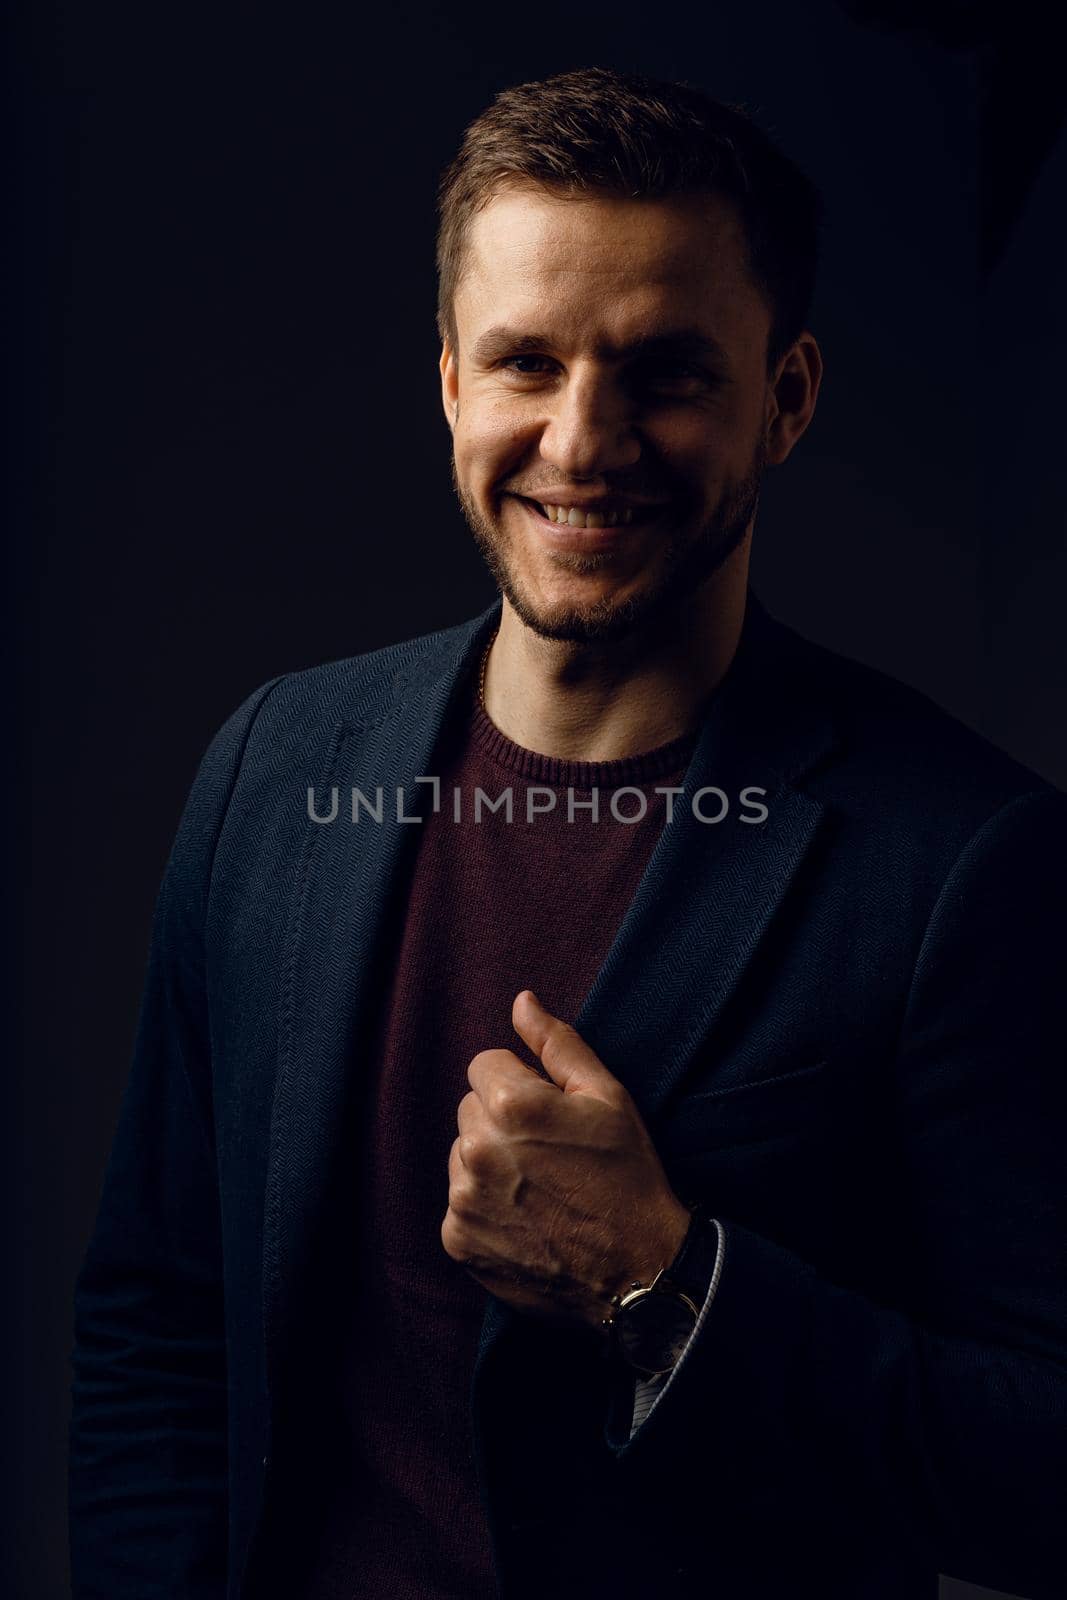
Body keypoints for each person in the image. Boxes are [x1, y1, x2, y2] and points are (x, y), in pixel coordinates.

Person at [69, 66, 1066, 1600]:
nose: (583, 442)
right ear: (456, 384)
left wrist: (668, 1284)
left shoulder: (966, 861)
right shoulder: (274, 765)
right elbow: (157, 1317)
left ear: (787, 398)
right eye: (527, 362)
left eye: (664, 372)